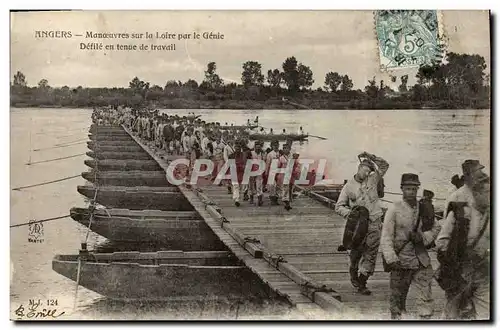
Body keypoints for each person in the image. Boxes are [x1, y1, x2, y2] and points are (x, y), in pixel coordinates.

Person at [381, 173, 441, 320]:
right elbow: (386, 236)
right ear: (402, 189)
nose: (411, 192)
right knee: (397, 300)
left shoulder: (424, 208)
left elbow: (436, 227)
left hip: (421, 259)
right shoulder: (394, 209)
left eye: (414, 189)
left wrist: (424, 238)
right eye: (408, 188)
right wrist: (391, 259)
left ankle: (425, 318)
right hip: (400, 260)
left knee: (425, 294)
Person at [435, 160, 490, 320]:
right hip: (459, 269)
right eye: (477, 171)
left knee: (483, 311)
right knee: (454, 311)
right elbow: (447, 236)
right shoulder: (457, 197)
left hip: (482, 271)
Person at [335, 151, 389, 295]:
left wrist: (371, 156)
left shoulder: (373, 179)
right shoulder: (348, 187)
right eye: (364, 170)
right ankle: (353, 273)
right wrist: (351, 214)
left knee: (371, 254)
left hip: (373, 222)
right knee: (355, 254)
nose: (366, 174)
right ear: (359, 168)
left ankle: (362, 281)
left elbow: (384, 165)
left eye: (369, 171)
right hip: (357, 226)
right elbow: (339, 206)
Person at [249, 140, 265, 206]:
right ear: (254, 147)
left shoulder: (262, 154)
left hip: (259, 171)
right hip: (251, 171)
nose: (258, 148)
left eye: (259, 147)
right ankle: (251, 198)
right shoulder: (251, 153)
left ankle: (259, 199)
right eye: (257, 147)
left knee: (259, 185)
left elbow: (264, 162)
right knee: (251, 185)